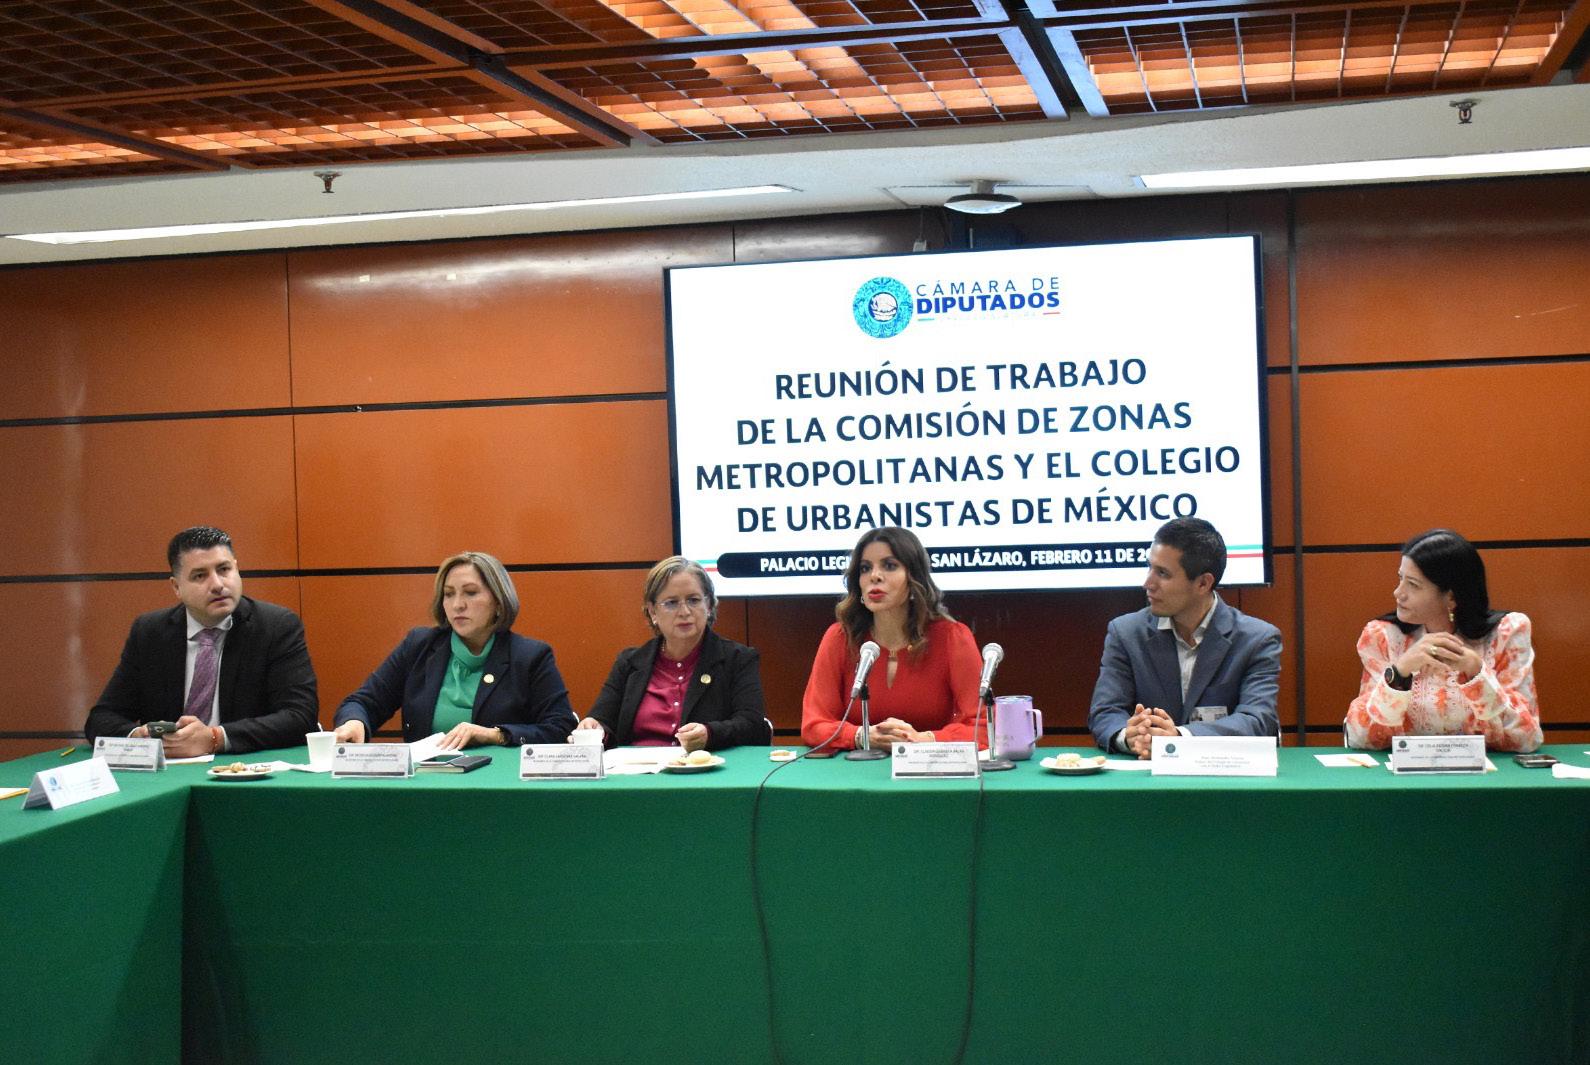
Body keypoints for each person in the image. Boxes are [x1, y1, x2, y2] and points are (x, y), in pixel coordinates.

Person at [83, 526, 318, 756]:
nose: (217, 585)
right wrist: (140, 736)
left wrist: (214, 738)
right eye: (200, 576)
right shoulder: (150, 632)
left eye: (224, 569)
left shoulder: (275, 627)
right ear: (177, 587)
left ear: (237, 570)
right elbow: (101, 719)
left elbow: (300, 716)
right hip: (170, 771)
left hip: (242, 768)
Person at [333, 551, 575, 749]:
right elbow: (363, 702)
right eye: (449, 594)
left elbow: (561, 727)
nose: (457, 604)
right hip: (427, 782)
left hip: (498, 784)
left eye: (470, 593)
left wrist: (495, 735)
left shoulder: (530, 656)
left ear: (499, 602)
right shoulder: (419, 646)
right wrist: (355, 722)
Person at [1088, 517, 1281, 756]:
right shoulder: (1126, 633)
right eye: (1149, 567)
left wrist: (1180, 738)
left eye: (1162, 573)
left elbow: (1257, 719)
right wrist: (1129, 737)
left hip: (1222, 774)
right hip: (1145, 773)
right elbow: (1105, 712)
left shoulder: (1257, 639)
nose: (1147, 583)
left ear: (1203, 583)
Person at [1344, 529, 1541, 752]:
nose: (1398, 593)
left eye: (1413, 584)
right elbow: (1359, 737)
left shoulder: (1506, 633)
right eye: (1400, 578)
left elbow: (1527, 738)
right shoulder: (1383, 636)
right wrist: (1399, 673)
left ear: (1451, 597)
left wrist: (1477, 673)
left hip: (1485, 771)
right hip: (1405, 772)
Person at [800, 527, 985, 751]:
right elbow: (814, 725)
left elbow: (983, 727)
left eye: (889, 565)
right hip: (857, 768)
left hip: (930, 767)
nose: (874, 576)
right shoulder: (840, 638)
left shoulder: (951, 638)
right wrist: (861, 736)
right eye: (865, 568)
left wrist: (923, 739)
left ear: (913, 577)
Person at [573, 556, 769, 751]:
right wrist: (594, 729)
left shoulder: (738, 659)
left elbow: (752, 725)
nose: (684, 611)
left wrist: (710, 733)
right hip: (636, 769)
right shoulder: (629, 662)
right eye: (671, 603)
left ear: (709, 606)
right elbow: (602, 721)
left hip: (706, 766)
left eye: (693, 600)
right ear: (653, 612)